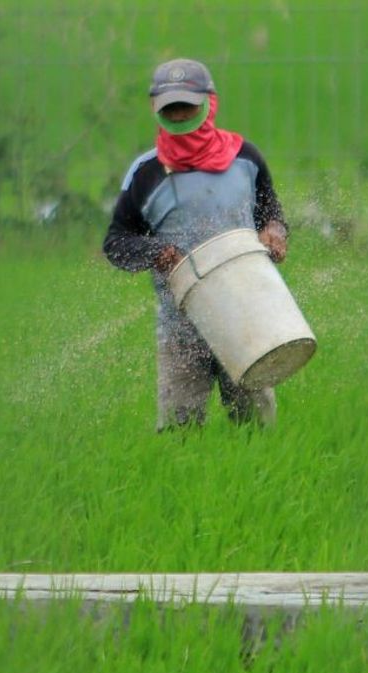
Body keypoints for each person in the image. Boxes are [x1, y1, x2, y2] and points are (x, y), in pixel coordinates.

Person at [103, 58, 288, 430]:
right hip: (181, 326)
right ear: (156, 110)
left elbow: (271, 211)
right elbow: (116, 242)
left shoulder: (245, 159)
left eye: (187, 103)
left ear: (209, 102)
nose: (179, 112)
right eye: (170, 107)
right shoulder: (147, 173)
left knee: (257, 429)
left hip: (247, 320)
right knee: (179, 431)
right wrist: (154, 252)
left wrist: (275, 231)